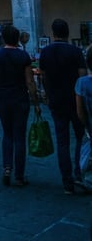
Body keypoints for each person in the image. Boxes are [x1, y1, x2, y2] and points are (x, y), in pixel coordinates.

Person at [0, 24, 40, 187]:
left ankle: (7, 168)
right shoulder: (23, 56)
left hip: (2, 99)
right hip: (20, 99)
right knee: (19, 136)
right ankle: (19, 175)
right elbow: (30, 81)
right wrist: (36, 102)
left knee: (7, 134)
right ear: (17, 38)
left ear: (3, 38)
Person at [39, 18, 86, 194]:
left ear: (53, 33)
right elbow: (82, 76)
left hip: (56, 100)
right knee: (82, 138)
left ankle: (67, 182)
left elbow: (43, 76)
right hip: (75, 100)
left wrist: (47, 93)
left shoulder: (46, 52)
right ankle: (80, 174)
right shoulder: (75, 51)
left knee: (62, 141)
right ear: (67, 32)